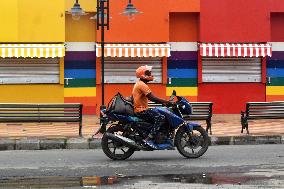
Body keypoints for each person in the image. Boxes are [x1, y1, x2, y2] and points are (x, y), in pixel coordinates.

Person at [132, 65, 172, 149]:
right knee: (161, 117)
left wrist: (163, 103)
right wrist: (166, 102)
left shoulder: (139, 83)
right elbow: (152, 97)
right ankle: (148, 138)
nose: (150, 74)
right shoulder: (142, 85)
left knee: (157, 112)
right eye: (148, 73)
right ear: (143, 75)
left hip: (140, 109)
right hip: (141, 110)